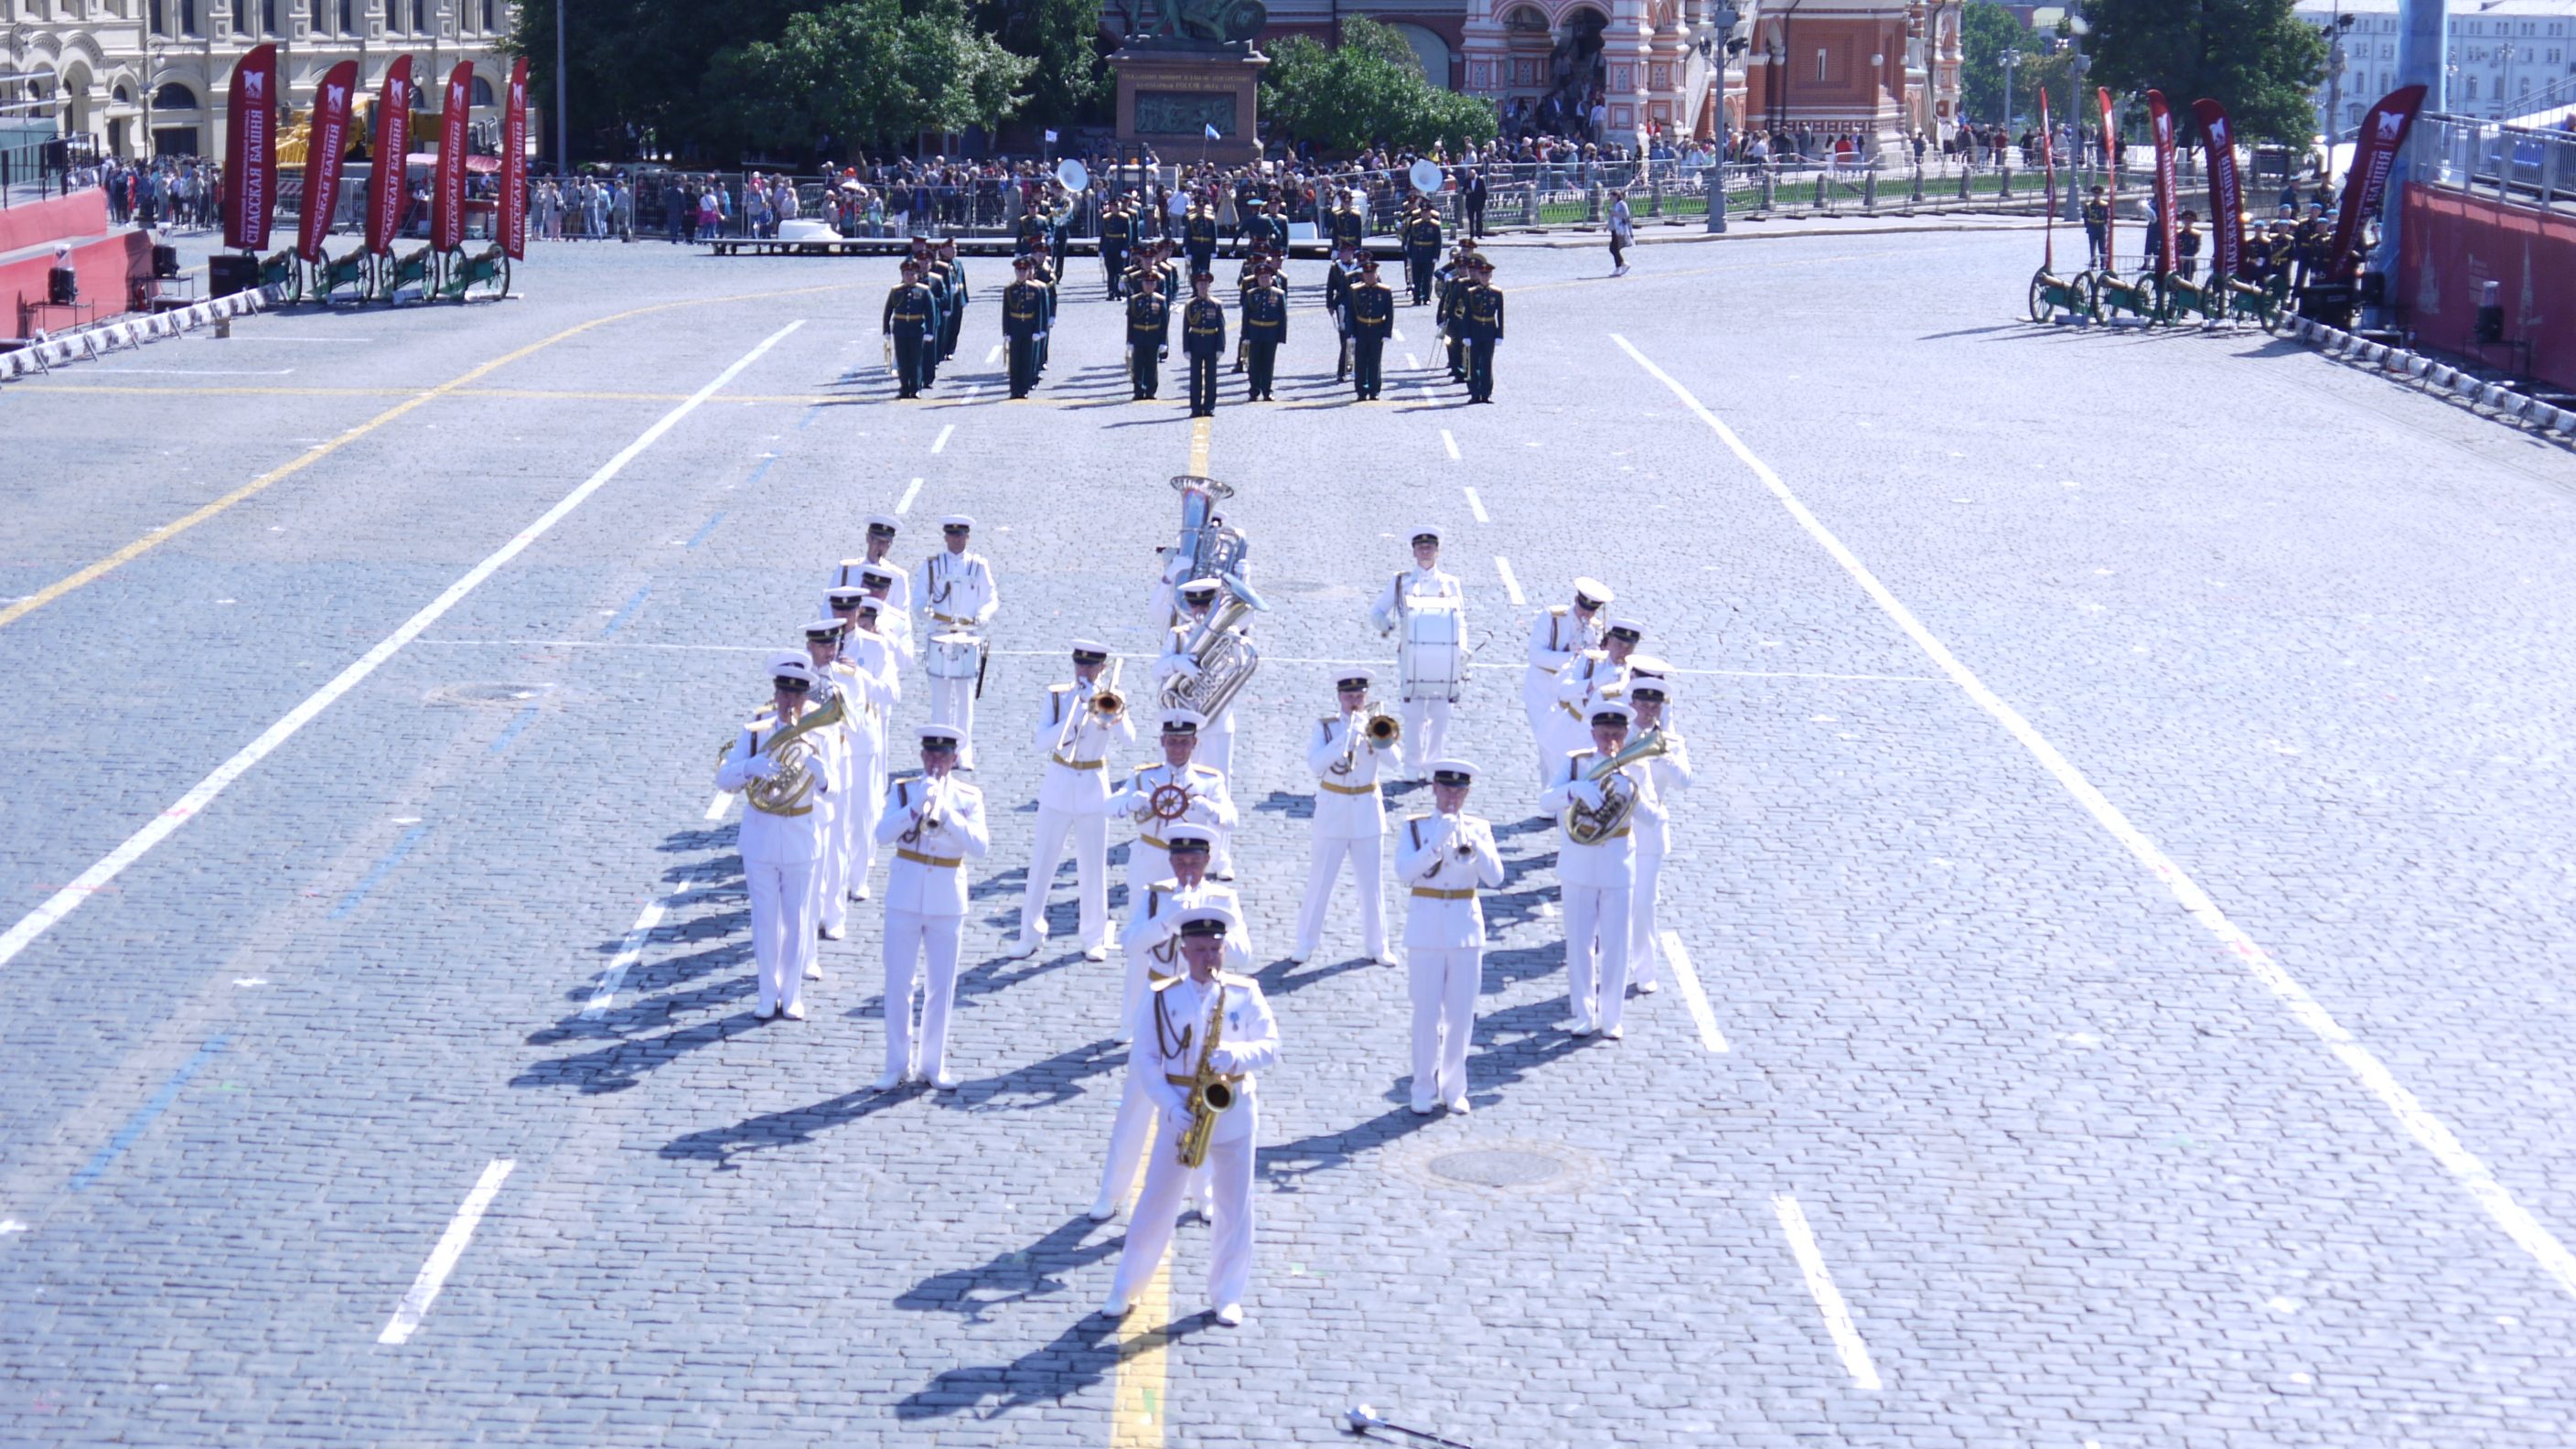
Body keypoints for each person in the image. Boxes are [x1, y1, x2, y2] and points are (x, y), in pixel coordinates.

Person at [1100, 907, 1281, 1329]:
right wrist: (1168, 1104)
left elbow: (1271, 1045)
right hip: (1182, 1107)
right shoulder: (1163, 996)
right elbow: (1145, 1058)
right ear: (1184, 951)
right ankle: (1126, 1287)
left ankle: (1228, 1294)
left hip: (1232, 1105)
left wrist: (1236, 1056)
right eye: (1199, 950)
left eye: (1215, 949)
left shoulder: (1244, 992)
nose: (1209, 958)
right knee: (1157, 1202)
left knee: (1236, 1208)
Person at [1090, 825, 1250, 1221]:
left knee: (1203, 1098)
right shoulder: (1155, 894)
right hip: (1161, 1000)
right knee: (1137, 1102)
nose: (1187, 870)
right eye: (1180, 862)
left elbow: (1245, 953)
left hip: (1205, 1004)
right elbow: (1129, 944)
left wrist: (1216, 934)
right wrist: (1167, 921)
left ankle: (1203, 1193)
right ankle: (1112, 1193)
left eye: (1194, 862)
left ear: (1207, 861)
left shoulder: (1223, 897)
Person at [714, 655, 839, 1020]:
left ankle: (792, 994)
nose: (789, 703)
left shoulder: (820, 732)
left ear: (805, 698)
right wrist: (747, 768)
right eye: (783, 694)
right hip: (760, 836)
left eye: (795, 696)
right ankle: (767, 993)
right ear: (776, 693)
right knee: (765, 920)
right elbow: (723, 780)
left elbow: (837, 792)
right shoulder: (757, 729)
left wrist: (824, 775)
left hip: (801, 835)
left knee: (798, 919)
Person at [871, 723, 993, 1090]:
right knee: (898, 982)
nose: (935, 762)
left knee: (941, 985)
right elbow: (879, 835)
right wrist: (913, 809)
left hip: (946, 899)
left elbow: (981, 846)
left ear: (954, 760)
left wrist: (946, 811)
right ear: (922, 756)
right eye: (930, 755)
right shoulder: (904, 789)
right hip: (905, 896)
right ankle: (896, 1063)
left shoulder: (969, 798)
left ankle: (932, 1064)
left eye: (943, 756)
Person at [1011, 639, 1135, 961]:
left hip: (1093, 785)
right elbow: (1041, 742)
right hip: (1058, 782)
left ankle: (1093, 936)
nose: (1084, 671)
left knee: (1093, 866)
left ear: (1102, 669)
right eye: (1080, 665)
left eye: (1091, 666)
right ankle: (1030, 933)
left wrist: (1107, 710)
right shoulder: (1057, 697)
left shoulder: (1112, 698)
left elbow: (1129, 739)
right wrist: (1075, 716)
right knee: (1041, 864)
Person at [1394, 759, 1504, 1113]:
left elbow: (1496, 878)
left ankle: (1454, 1087)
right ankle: (1423, 1088)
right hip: (1425, 927)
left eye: (1459, 791)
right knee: (1425, 1013)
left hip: (1465, 928)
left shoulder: (1479, 827)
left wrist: (1475, 843)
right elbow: (1404, 873)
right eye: (1446, 789)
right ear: (1434, 789)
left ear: (1467, 793)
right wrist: (1434, 846)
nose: (1451, 797)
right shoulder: (1414, 828)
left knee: (1461, 1013)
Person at [1540, 702, 1648, 1038]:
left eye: (1616, 734)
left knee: (1617, 945)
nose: (1610, 741)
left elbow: (1654, 817)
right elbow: (1546, 800)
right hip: (1579, 865)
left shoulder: (1637, 768)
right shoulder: (1576, 762)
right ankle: (1583, 1013)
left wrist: (1634, 795)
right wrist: (1575, 790)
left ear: (1626, 734)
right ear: (1593, 733)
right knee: (1579, 945)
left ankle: (1612, 1016)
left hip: (1617, 865)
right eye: (1604, 734)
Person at [1290, 671, 1394, 966]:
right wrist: (1345, 740)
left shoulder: (1377, 725)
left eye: (1359, 697)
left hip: (1367, 811)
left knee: (1371, 884)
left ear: (1366, 698)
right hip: (1333, 809)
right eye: (1349, 697)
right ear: (1339, 697)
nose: (1354, 702)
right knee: (1320, 879)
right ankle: (1305, 943)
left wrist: (1374, 735)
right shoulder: (1326, 728)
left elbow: (1396, 761)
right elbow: (1315, 765)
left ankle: (1378, 946)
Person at [1109, 710, 1241, 901]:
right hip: (1148, 861)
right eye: (1172, 742)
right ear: (1163, 742)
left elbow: (1232, 820)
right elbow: (1109, 807)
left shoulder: (1209, 781)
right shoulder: (1143, 777)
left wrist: (1210, 808)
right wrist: (1130, 803)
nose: (1178, 749)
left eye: (1184, 743)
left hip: (1187, 864)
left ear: (1194, 743)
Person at [824, 583, 902, 907]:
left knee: (860, 813)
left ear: (859, 612)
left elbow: (891, 693)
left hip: (862, 738)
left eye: (848, 611)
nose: (843, 616)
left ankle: (858, 880)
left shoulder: (875, 647)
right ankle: (835, 882)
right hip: (829, 740)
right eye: (838, 610)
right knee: (834, 817)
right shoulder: (820, 645)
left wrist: (861, 676)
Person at [1369, 525, 1465, 776]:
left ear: (1437, 551)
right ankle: (1412, 766)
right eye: (1421, 547)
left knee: (1440, 713)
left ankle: (1434, 765)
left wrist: (1461, 651)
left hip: (1444, 657)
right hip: (1411, 655)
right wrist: (1387, 626)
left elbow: (1460, 621)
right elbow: (1377, 611)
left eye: (1430, 547)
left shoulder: (1451, 583)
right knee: (1413, 713)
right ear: (1413, 552)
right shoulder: (1401, 582)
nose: (1425, 551)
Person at [1624, 672, 1690, 996]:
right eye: (1643, 704)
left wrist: (1664, 753)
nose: (1648, 710)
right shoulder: (1615, 735)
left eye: (1655, 705)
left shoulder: (1672, 742)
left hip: (1650, 831)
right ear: (1632, 704)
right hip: (1616, 828)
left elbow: (1685, 782)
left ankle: (1644, 971)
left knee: (1644, 904)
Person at [916, 515, 999, 768]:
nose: (956, 540)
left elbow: (991, 597)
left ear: (967, 537)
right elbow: (919, 597)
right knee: (940, 696)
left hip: (967, 633)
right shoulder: (932, 565)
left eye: (960, 536)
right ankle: (941, 750)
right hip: (940, 631)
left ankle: (963, 751)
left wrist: (984, 615)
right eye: (952, 535)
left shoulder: (978, 565)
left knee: (964, 697)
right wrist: (924, 612)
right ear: (945, 537)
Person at [1523, 577, 1611, 788]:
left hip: (1571, 694)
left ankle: (1552, 796)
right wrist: (1573, 659)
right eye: (1583, 609)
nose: (1586, 615)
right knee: (1546, 742)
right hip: (1542, 688)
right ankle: (1557, 796)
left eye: (1591, 612)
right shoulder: (1552, 618)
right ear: (1576, 601)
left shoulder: (1595, 628)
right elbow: (1536, 654)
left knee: (1560, 742)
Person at [1155, 578, 1244, 778]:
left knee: (1217, 780)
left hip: (1216, 722)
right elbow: (1156, 671)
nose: (1199, 610)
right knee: (1176, 781)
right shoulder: (1178, 635)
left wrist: (1236, 642)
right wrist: (1178, 663)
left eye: (1206, 604)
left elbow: (1240, 668)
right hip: (1182, 723)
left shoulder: (1229, 635)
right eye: (1194, 605)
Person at [883, 258, 940, 399]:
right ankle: (904, 388)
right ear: (902, 275)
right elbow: (888, 311)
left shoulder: (924, 291)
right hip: (900, 329)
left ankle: (916, 388)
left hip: (917, 329)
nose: (909, 277)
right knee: (902, 360)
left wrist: (929, 331)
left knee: (915, 360)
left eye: (912, 274)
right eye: (907, 274)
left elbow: (930, 313)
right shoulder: (896, 291)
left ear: (917, 275)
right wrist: (886, 330)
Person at [1347, 257, 1395, 402]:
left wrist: (1387, 332)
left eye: (1372, 274)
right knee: (1360, 361)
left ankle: (1374, 390)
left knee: (1375, 361)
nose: (1369, 276)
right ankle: (1361, 390)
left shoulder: (1385, 291)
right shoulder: (1355, 290)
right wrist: (1351, 333)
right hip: (1361, 328)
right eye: (1367, 274)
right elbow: (1350, 313)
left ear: (1376, 275)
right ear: (1363, 276)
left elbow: (1390, 313)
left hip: (1377, 328)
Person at [1457, 257, 1505, 403]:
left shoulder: (1497, 293)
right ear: (1479, 275)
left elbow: (1501, 315)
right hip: (1475, 330)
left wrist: (1500, 334)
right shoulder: (1471, 292)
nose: (1484, 277)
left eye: (1487, 275)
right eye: (1482, 274)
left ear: (1490, 276)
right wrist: (1466, 334)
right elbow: (1467, 315)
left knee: (1487, 363)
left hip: (1490, 330)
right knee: (1472, 363)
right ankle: (1474, 392)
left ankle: (1486, 393)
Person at [1240, 259, 1288, 402]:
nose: (1264, 280)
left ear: (1271, 279)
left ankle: (1267, 390)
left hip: (1271, 332)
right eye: (1261, 278)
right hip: (1255, 332)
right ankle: (1254, 390)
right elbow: (1246, 317)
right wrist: (1245, 336)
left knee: (1268, 363)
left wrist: (1281, 336)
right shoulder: (1251, 294)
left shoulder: (1278, 294)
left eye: (1266, 277)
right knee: (1254, 363)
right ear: (1257, 279)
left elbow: (1283, 316)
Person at [1001, 255, 1049, 399]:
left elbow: (1039, 311)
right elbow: (1006, 313)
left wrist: (1039, 330)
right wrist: (1006, 331)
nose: (1021, 273)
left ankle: (1024, 388)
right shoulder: (1009, 290)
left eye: (1024, 270)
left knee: (1027, 359)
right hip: (1015, 327)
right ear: (1015, 272)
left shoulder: (1036, 290)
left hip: (1029, 327)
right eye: (1019, 270)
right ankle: (1014, 389)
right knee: (1015, 360)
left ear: (1028, 272)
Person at [1181, 270, 1227, 418]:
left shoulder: (1216, 304)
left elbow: (1221, 328)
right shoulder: (1190, 305)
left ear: (1209, 286)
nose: (1203, 287)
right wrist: (1186, 348)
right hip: (1195, 344)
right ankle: (1195, 407)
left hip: (1211, 343)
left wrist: (1220, 347)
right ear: (1196, 286)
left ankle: (1209, 407)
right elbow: (1185, 328)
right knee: (1195, 378)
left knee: (1211, 378)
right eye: (1200, 284)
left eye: (1205, 284)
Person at [1127, 273, 1171, 401]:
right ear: (1142, 284)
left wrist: (1163, 341)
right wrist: (1129, 340)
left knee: (1152, 364)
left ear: (1155, 285)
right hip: (1139, 336)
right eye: (1146, 283)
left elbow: (1164, 323)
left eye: (1151, 283)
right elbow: (1130, 322)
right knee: (1138, 364)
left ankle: (1151, 390)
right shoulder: (1135, 300)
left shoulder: (1160, 300)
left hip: (1153, 336)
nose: (1149, 285)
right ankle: (1138, 390)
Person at [1402, 199, 1443, 306]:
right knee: (1416, 278)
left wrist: (1436, 256)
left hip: (1428, 255)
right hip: (1417, 254)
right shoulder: (1416, 224)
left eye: (1426, 212)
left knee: (1427, 278)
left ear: (1430, 212)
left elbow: (1438, 243)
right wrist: (1410, 254)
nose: (1424, 214)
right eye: (1423, 212)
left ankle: (1426, 297)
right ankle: (1416, 298)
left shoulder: (1435, 225)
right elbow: (1411, 240)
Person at [1607, 188, 1634, 275]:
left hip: (1620, 230)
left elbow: (1626, 216)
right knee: (1614, 248)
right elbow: (1612, 219)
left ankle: (1622, 265)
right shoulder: (1615, 205)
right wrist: (1606, 227)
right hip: (1614, 230)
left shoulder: (1622, 204)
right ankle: (1619, 266)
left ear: (1616, 196)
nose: (1610, 199)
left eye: (1611, 197)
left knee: (1613, 248)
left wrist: (1615, 213)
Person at [2082, 186, 2109, 269]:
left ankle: (2103, 263)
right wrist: (2088, 226)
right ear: (2093, 195)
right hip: (2092, 228)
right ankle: (2093, 262)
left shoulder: (2105, 205)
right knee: (2092, 247)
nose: (2097, 196)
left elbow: (2107, 217)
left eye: (2098, 195)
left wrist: (2106, 226)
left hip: (2101, 228)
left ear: (2101, 195)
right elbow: (2085, 217)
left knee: (2102, 247)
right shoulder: (2089, 205)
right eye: (2095, 194)